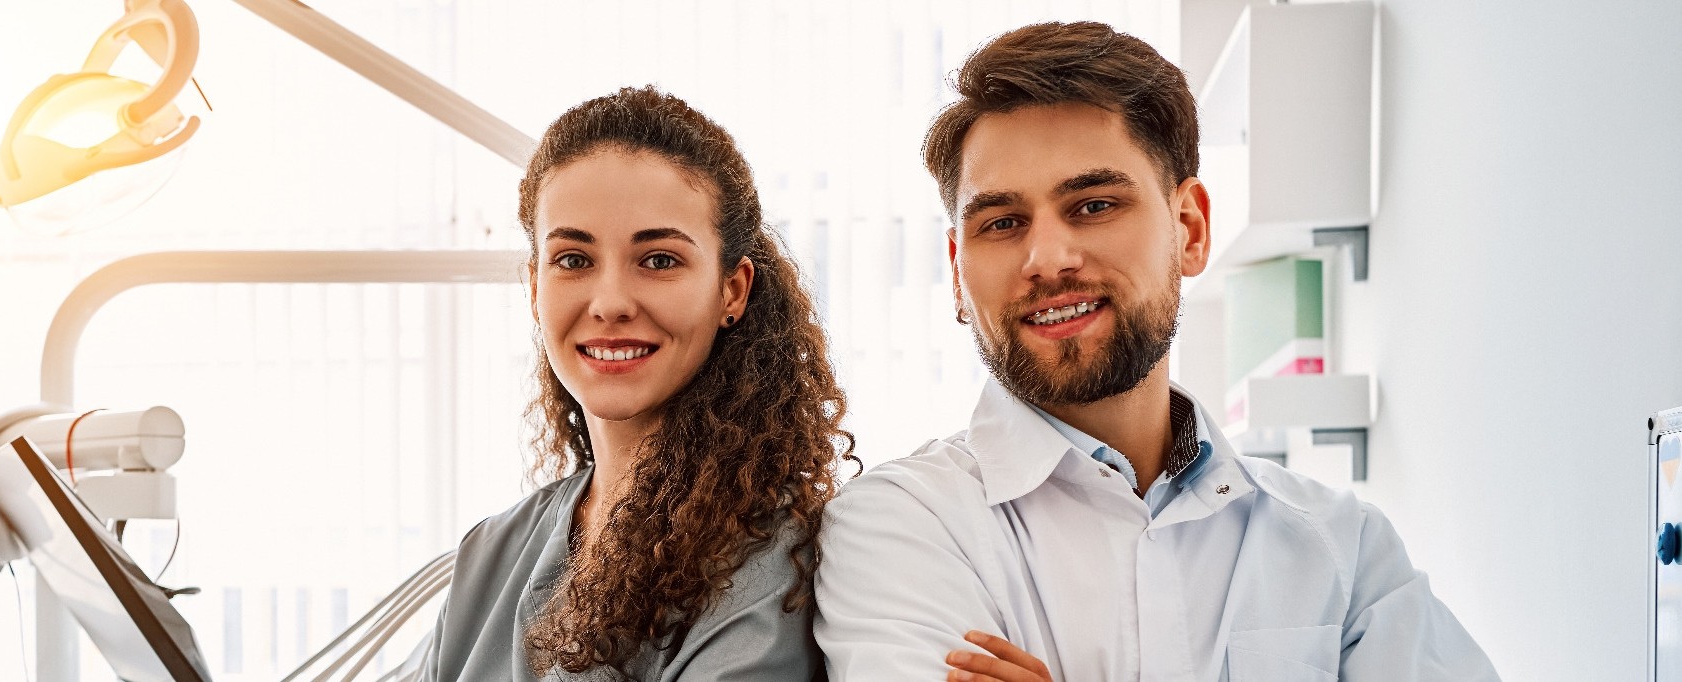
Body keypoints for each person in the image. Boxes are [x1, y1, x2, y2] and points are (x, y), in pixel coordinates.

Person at [812, 22, 1498, 681]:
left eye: (1093, 205)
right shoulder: (898, 528)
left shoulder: (1341, 548)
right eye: (1002, 222)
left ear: (1189, 228)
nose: (1047, 259)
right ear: (958, 270)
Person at [419, 85, 853, 681]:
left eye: (658, 260)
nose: (611, 302)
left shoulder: (773, 568)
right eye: (573, 259)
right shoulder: (491, 552)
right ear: (534, 286)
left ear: (733, 290)